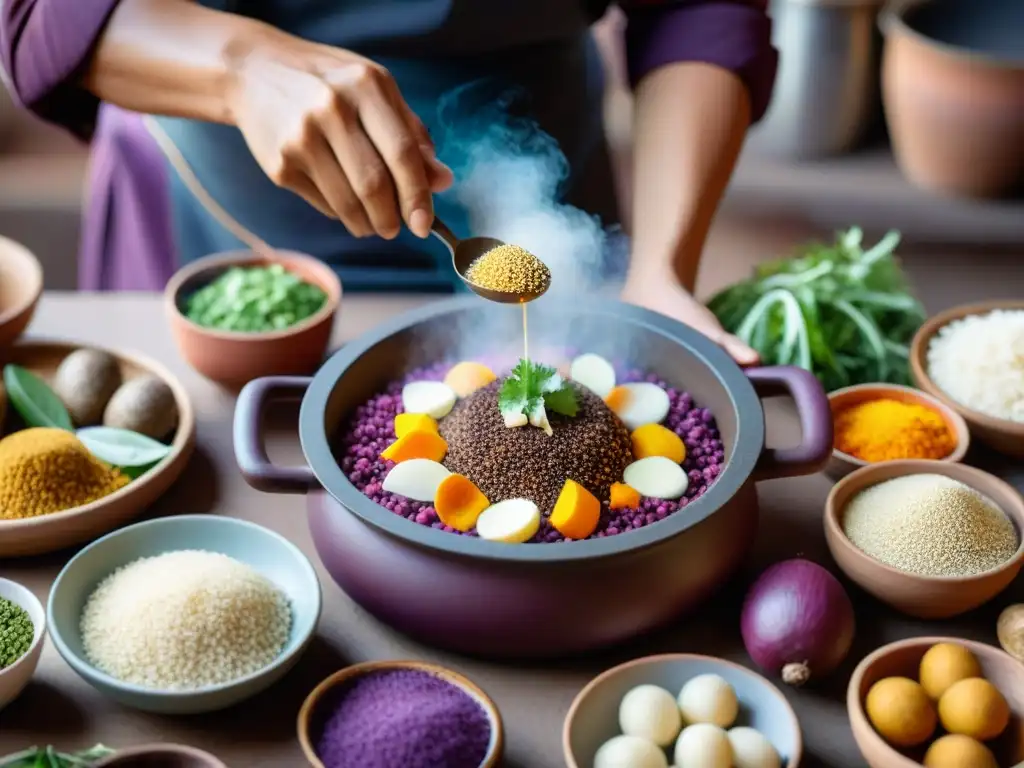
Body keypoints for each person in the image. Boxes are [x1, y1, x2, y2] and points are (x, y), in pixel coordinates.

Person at [1, 0, 776, 363]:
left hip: (548, 158)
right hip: (213, 192)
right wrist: (240, 67)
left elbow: (696, 7)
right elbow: (40, 13)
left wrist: (661, 271)